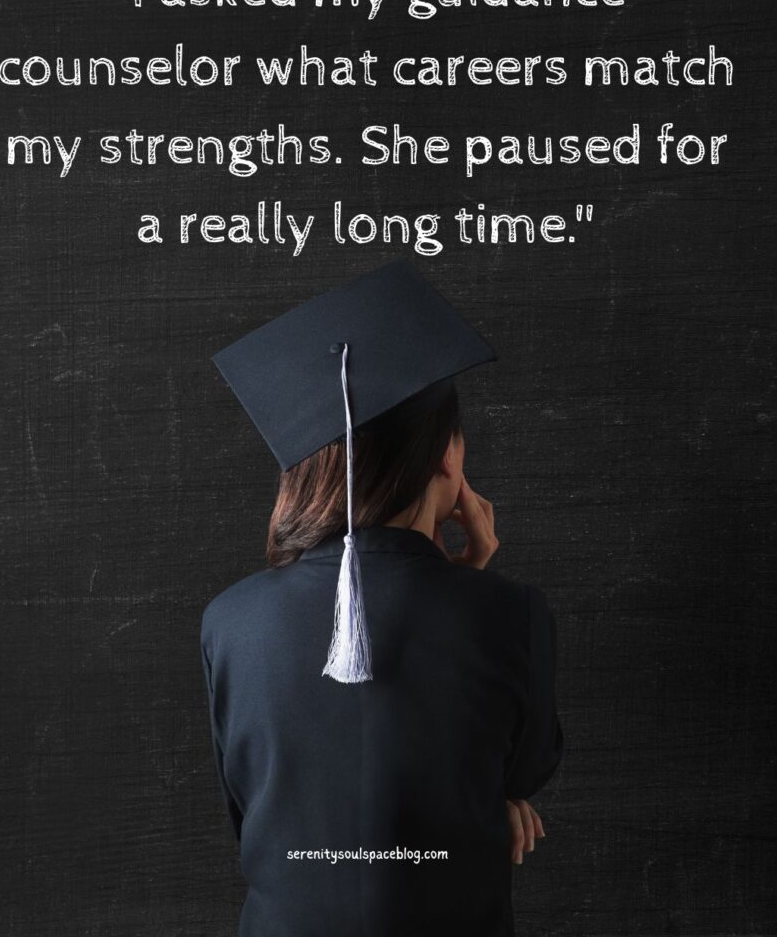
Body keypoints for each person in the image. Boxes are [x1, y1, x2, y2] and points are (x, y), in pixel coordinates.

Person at [200, 259, 563, 936]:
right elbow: (522, 768)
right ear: (448, 457)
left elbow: (250, 809)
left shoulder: (230, 620)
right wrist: (472, 579)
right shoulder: (509, 613)